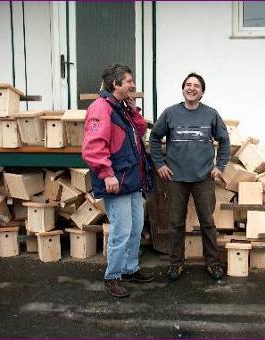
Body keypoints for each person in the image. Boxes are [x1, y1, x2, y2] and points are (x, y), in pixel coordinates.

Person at [82, 64, 154, 298]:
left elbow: (140, 131)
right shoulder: (101, 108)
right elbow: (93, 147)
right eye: (129, 81)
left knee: (136, 227)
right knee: (121, 230)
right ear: (116, 84)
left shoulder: (121, 108)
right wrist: (107, 173)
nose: (133, 85)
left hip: (131, 179)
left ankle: (130, 269)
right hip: (117, 179)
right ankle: (113, 276)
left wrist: (134, 111)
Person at [149, 73, 230, 281]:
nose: (191, 88)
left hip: (203, 177)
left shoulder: (211, 114)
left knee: (207, 222)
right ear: (183, 88)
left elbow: (224, 141)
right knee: (175, 223)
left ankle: (212, 263)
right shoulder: (170, 113)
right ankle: (176, 264)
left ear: (202, 92)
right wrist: (159, 164)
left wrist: (219, 166)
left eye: (196, 86)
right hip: (176, 178)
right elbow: (155, 137)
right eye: (188, 84)